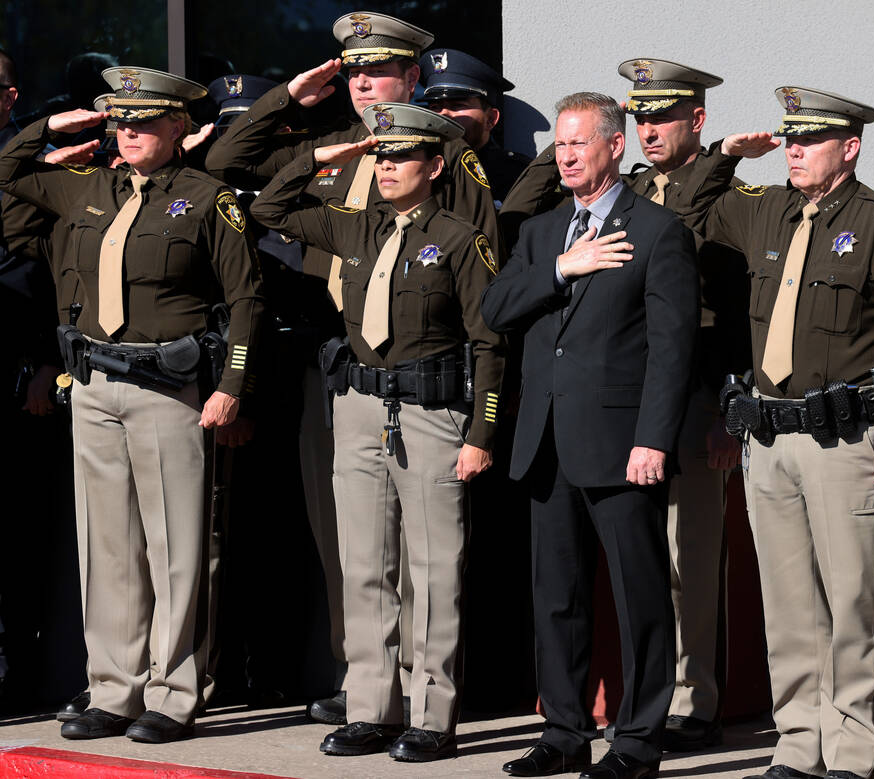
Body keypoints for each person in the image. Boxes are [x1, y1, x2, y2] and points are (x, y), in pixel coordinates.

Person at [205, 13, 501, 725]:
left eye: (379, 71)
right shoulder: (329, 143)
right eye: (353, 70)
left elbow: (475, 265)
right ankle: (366, 683)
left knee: (426, 546)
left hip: (424, 372)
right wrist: (292, 100)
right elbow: (224, 165)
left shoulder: (444, 154)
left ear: (411, 77)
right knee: (351, 538)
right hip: (338, 360)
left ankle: (425, 692)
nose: (364, 81)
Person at [680, 87, 874, 779]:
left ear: (850, 147)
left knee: (855, 601)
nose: (794, 149)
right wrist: (723, 157)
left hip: (848, 439)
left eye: (811, 139)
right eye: (790, 138)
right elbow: (686, 212)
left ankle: (854, 749)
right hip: (769, 440)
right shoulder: (764, 207)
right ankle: (798, 740)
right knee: (791, 604)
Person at [0, 66, 264, 742]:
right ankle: (115, 688)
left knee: (175, 547)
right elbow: (6, 171)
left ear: (179, 125)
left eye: (145, 120)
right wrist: (50, 128)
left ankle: (174, 693)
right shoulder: (84, 186)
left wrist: (232, 386)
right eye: (121, 119)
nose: (131, 130)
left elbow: (246, 301)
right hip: (92, 387)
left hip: (168, 389)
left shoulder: (207, 199)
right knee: (107, 544)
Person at [251, 102, 504, 762]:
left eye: (400, 156)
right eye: (380, 155)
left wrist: (483, 430)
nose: (386, 165)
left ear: (435, 164)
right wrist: (325, 157)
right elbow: (269, 211)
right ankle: (371, 706)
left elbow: (490, 341)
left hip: (430, 413)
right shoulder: (356, 229)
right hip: (360, 408)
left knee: (433, 566)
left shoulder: (458, 237)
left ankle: (433, 712)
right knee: (364, 564)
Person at [482, 92, 698, 779]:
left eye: (579, 143)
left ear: (615, 147)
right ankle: (564, 731)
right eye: (561, 145)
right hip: (546, 442)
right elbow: (494, 309)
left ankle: (636, 742)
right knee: (557, 596)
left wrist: (654, 439)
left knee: (638, 597)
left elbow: (673, 349)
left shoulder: (659, 231)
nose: (566, 155)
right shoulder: (543, 233)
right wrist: (560, 271)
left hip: (620, 444)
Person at [611, 57, 751, 752]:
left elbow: (739, 312)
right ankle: (648, 698)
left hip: (697, 396)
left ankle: (696, 704)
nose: (648, 129)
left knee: (690, 559)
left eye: (662, 115)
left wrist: (729, 406)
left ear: (697, 119)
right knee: (642, 559)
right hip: (630, 399)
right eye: (637, 117)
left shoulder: (725, 195)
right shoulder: (623, 192)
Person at [418, 48, 531, 204]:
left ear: (491, 119)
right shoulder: (417, 168)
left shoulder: (517, 175)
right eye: (435, 107)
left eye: (457, 106)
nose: (443, 115)